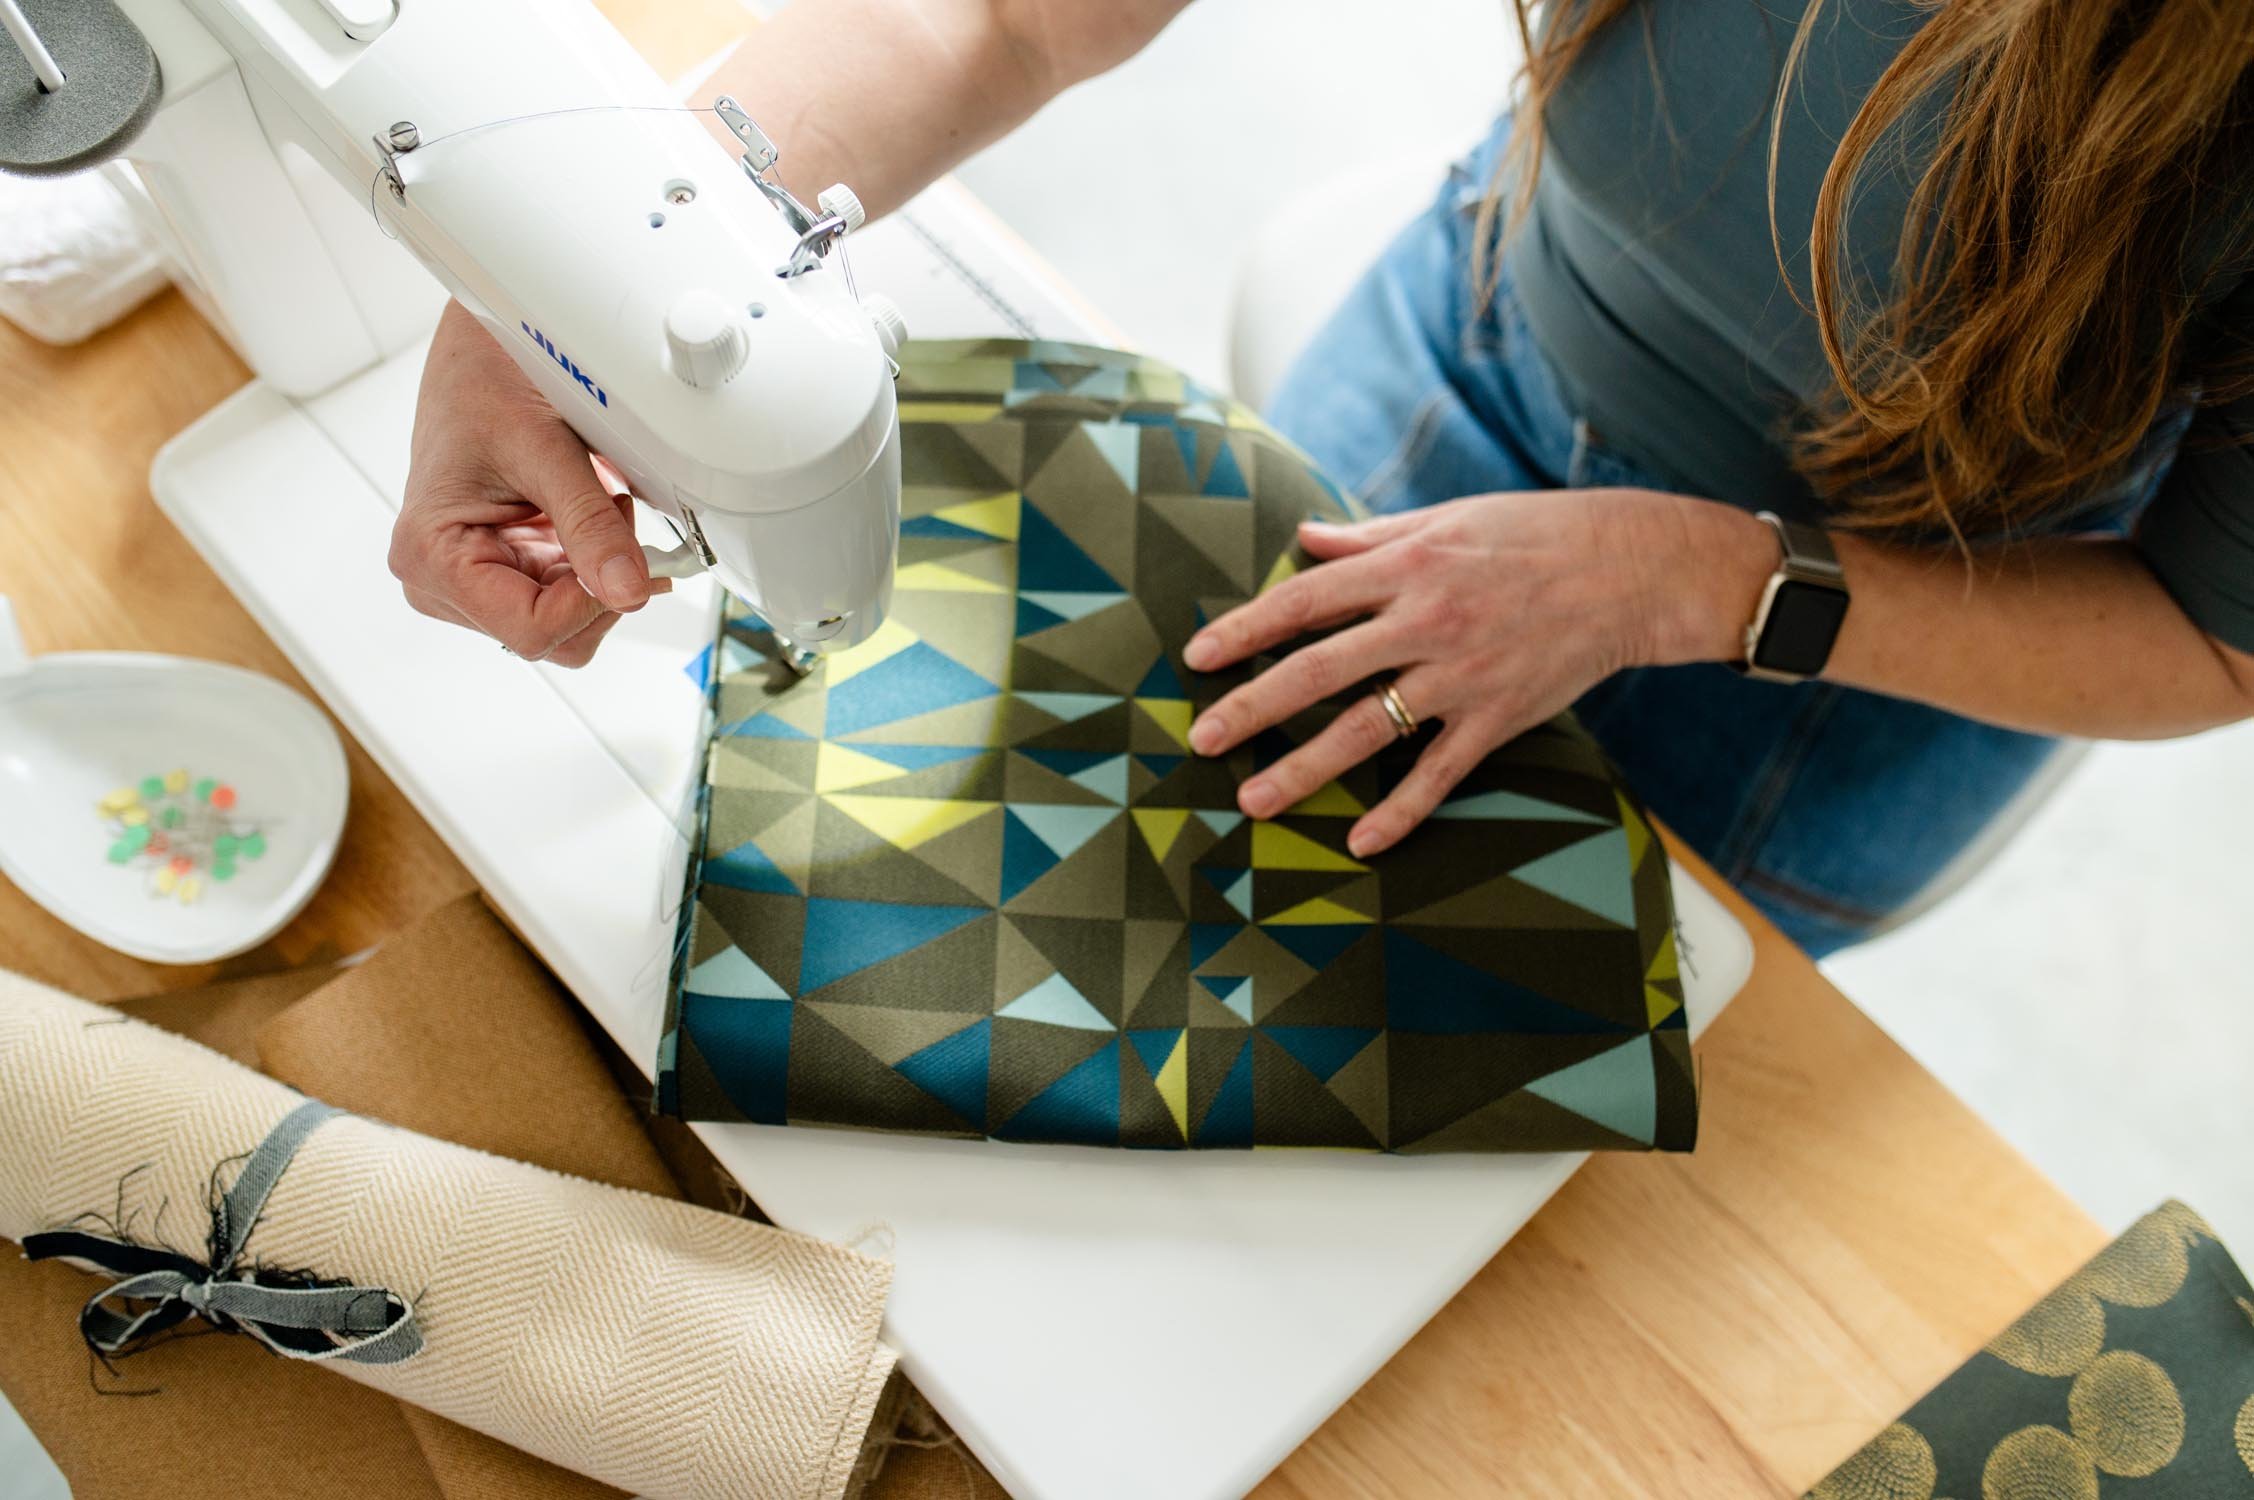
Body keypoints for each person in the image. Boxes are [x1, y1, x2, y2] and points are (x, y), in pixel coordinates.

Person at [389, 0, 2254, 955]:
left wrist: (1687, 581)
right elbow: (1004, 14)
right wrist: (604, 272)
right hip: (1480, 317)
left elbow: (2211, 637)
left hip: (1828, 648)